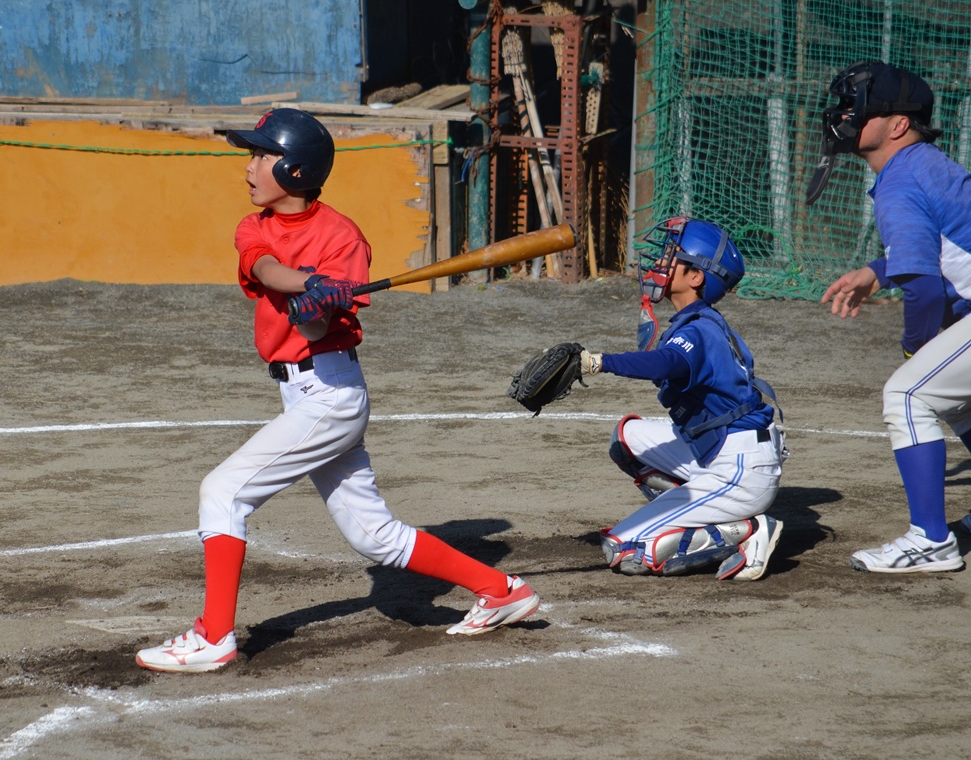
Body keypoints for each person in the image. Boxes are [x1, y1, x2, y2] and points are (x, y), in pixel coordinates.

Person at [135, 109, 539, 673]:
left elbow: (320, 332)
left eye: (260, 156)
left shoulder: (342, 238)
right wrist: (308, 286)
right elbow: (267, 267)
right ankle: (504, 591)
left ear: (295, 169)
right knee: (374, 537)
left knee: (223, 492)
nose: (248, 167)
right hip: (301, 396)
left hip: (330, 392)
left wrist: (315, 312)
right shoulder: (253, 225)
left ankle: (214, 638)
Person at [813, 60, 971, 573]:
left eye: (857, 107)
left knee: (908, 393)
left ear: (898, 124)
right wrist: (881, 270)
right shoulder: (923, 164)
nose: (844, 115)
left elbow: (926, 290)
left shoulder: (900, 179)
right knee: (954, 398)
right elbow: (942, 248)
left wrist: (914, 350)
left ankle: (931, 540)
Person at [577, 218, 787, 580]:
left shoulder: (700, 329)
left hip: (740, 470)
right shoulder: (699, 321)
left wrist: (599, 362)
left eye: (674, 256)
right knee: (627, 438)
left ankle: (744, 532)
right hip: (720, 450)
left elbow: (669, 362)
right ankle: (696, 511)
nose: (661, 262)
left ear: (696, 277)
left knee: (623, 549)